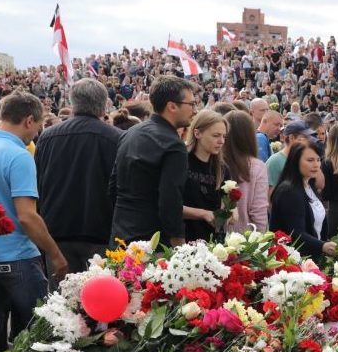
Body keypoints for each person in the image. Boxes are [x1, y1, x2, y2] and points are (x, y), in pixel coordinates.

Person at [0, 92, 66, 352]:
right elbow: (27, 217)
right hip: (16, 256)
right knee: (44, 330)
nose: (38, 131)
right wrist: (55, 254)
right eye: (39, 124)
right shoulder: (18, 155)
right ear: (29, 120)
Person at [35, 78, 120, 279]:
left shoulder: (47, 137)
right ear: (104, 104)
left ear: (73, 103)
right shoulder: (116, 138)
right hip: (100, 233)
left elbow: (37, 184)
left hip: (57, 232)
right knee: (101, 304)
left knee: (61, 304)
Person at [110, 75, 196, 245]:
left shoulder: (130, 133)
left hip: (120, 235)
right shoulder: (173, 145)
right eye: (191, 104)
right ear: (172, 106)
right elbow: (170, 198)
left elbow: (113, 187)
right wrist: (179, 243)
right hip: (152, 242)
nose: (195, 110)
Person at [271, 142, 336, 260]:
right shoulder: (289, 191)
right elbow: (295, 233)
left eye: (318, 160)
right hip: (293, 261)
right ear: (296, 161)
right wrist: (323, 246)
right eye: (310, 160)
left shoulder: (309, 185)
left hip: (311, 258)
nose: (316, 165)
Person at [181, 110, 231, 243]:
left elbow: (228, 201)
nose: (221, 141)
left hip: (213, 241)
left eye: (224, 136)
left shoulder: (222, 168)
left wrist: (231, 211)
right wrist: (203, 214)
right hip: (184, 239)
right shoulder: (181, 161)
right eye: (216, 135)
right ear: (197, 133)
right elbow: (169, 205)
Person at [221, 110, 269, 233]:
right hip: (245, 242)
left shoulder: (216, 161)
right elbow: (259, 212)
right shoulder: (257, 167)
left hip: (214, 237)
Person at [265, 120, 315, 193]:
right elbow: (270, 194)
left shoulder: (304, 158)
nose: (308, 141)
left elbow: (320, 185)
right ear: (291, 138)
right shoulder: (275, 161)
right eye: (304, 137)